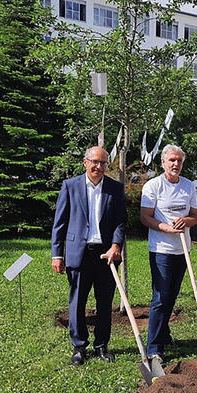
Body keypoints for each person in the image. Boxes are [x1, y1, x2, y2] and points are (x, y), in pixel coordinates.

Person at [51, 146, 127, 365]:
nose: (98, 166)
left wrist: (116, 245)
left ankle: (102, 345)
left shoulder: (115, 188)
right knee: (77, 302)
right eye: (94, 162)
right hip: (79, 254)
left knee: (105, 303)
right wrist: (57, 254)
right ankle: (79, 346)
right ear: (85, 162)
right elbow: (60, 223)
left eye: (103, 163)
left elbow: (120, 221)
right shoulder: (70, 186)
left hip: (106, 255)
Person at [140, 144, 197, 362]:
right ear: (163, 162)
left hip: (182, 249)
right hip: (161, 249)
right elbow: (145, 216)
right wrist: (165, 227)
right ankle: (154, 348)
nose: (176, 164)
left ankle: (164, 334)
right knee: (160, 297)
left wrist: (186, 221)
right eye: (172, 160)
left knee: (172, 295)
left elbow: (195, 216)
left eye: (179, 161)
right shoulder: (153, 186)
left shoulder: (188, 186)